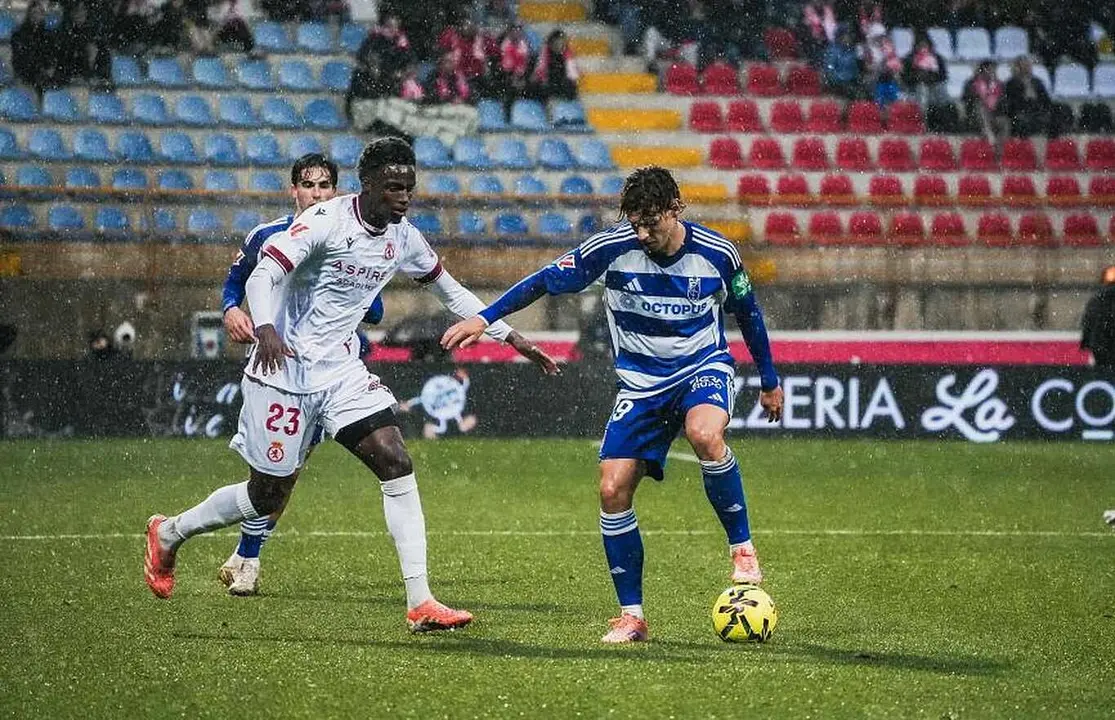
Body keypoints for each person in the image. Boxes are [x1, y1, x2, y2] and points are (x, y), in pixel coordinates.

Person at [144, 137, 558, 634]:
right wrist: (268, 326)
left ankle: (421, 601)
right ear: (367, 185)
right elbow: (261, 277)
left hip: (341, 373)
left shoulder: (404, 237)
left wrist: (510, 335)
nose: (403, 197)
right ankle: (170, 533)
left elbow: (453, 293)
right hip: (282, 372)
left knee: (396, 460)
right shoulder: (324, 222)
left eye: (409, 187)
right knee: (266, 496)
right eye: (393, 188)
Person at [441, 166, 785, 644]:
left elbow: (748, 313)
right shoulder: (612, 247)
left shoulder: (717, 253)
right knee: (611, 490)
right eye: (636, 224)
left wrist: (769, 380)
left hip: (701, 368)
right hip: (640, 387)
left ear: (675, 210)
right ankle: (632, 616)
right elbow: (544, 280)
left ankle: (742, 549)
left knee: (706, 434)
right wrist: (485, 317)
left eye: (652, 223)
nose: (643, 234)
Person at [215, 153, 383, 596]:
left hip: (326, 374)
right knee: (268, 475)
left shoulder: (347, 238)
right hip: (275, 367)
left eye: (326, 185)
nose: (317, 193)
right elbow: (237, 281)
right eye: (308, 185)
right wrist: (232, 310)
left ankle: (248, 556)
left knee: (289, 472)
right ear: (293, 190)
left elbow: (375, 307)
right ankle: (213, 540)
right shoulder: (267, 235)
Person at [1001, 56, 1052, 138]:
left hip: (1038, 109)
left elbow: (1046, 99)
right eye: (1025, 66)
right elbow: (1011, 102)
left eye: (1028, 65)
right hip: (1021, 110)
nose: (1028, 68)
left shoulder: (1037, 82)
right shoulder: (1011, 83)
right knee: (1023, 120)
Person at [963, 60, 1010, 147]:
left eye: (993, 70)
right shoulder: (972, 83)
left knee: (1004, 122)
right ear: (983, 70)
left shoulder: (999, 85)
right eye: (989, 69)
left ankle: (1000, 150)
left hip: (995, 116)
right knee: (981, 107)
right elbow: (967, 100)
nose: (991, 72)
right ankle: (989, 134)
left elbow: (1005, 103)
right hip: (976, 117)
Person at [1080, 265, 1115, 368]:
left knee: (1102, 374)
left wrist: (1088, 341)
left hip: (1099, 346)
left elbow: (1088, 321)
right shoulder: (1097, 299)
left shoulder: (1096, 299)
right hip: (1101, 344)